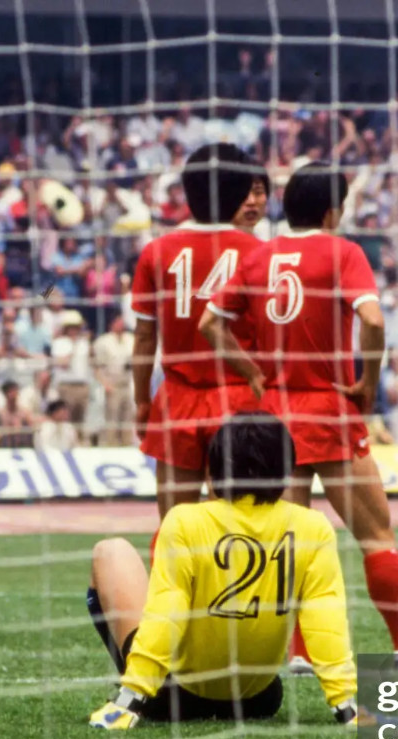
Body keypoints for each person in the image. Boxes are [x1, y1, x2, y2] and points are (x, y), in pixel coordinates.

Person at [200, 164, 398, 667]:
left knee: (292, 539)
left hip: (272, 418)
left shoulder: (257, 258)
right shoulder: (343, 252)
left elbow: (209, 325)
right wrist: (367, 384)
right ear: (332, 211)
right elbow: (371, 320)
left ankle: (300, 652)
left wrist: (252, 371)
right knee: (375, 536)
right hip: (328, 409)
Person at [85, 414, 359, 729]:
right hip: (259, 699)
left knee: (111, 550)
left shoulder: (184, 520)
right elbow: (326, 620)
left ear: (213, 472)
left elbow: (166, 612)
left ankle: (131, 688)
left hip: (169, 695)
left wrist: (131, 698)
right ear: (286, 473)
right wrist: (347, 705)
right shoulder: (314, 526)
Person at [130, 143, 269, 516]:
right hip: (239, 400)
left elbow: (144, 338)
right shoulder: (260, 253)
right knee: (239, 524)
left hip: (178, 398)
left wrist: (143, 399)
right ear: (240, 193)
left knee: (174, 525)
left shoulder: (156, 251)